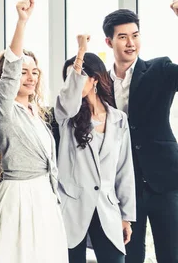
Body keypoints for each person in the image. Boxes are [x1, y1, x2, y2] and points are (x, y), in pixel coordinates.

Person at [0, 0, 68, 262]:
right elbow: (10, 71)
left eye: (35, 72)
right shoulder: (3, 110)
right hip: (18, 200)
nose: (31, 77)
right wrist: (22, 22)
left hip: (44, 198)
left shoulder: (38, 115)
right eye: (24, 72)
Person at [103, 5, 178, 262]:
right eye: (123, 37)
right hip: (122, 187)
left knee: (172, 254)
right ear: (109, 41)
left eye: (135, 35)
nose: (131, 43)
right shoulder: (99, 83)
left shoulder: (160, 69)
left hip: (165, 182)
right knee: (130, 256)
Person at [56, 35, 136, 262]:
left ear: (94, 80)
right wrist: (80, 51)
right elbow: (69, 97)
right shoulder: (66, 116)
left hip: (107, 209)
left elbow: (124, 170)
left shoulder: (119, 119)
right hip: (71, 209)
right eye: (70, 76)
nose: (71, 82)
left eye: (78, 75)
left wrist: (126, 217)